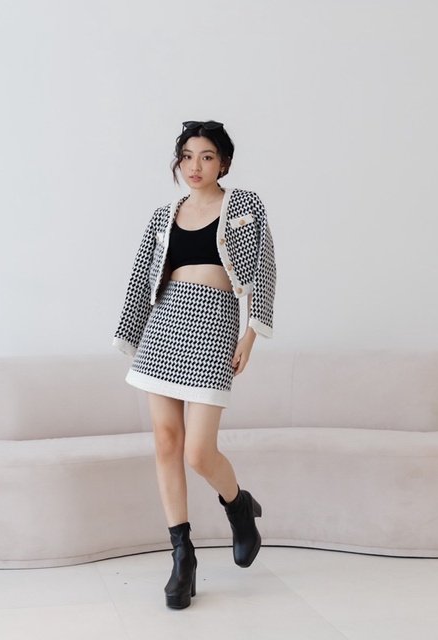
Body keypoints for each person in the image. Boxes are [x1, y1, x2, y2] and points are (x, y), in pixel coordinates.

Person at [113, 120, 276, 609]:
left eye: (206, 156)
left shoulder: (245, 205)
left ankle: (239, 506)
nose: (195, 166)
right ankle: (182, 557)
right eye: (187, 156)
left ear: (223, 162)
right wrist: (131, 334)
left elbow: (265, 268)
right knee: (166, 442)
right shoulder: (163, 215)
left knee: (199, 452)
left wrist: (252, 333)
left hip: (214, 325)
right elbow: (142, 274)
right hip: (164, 328)